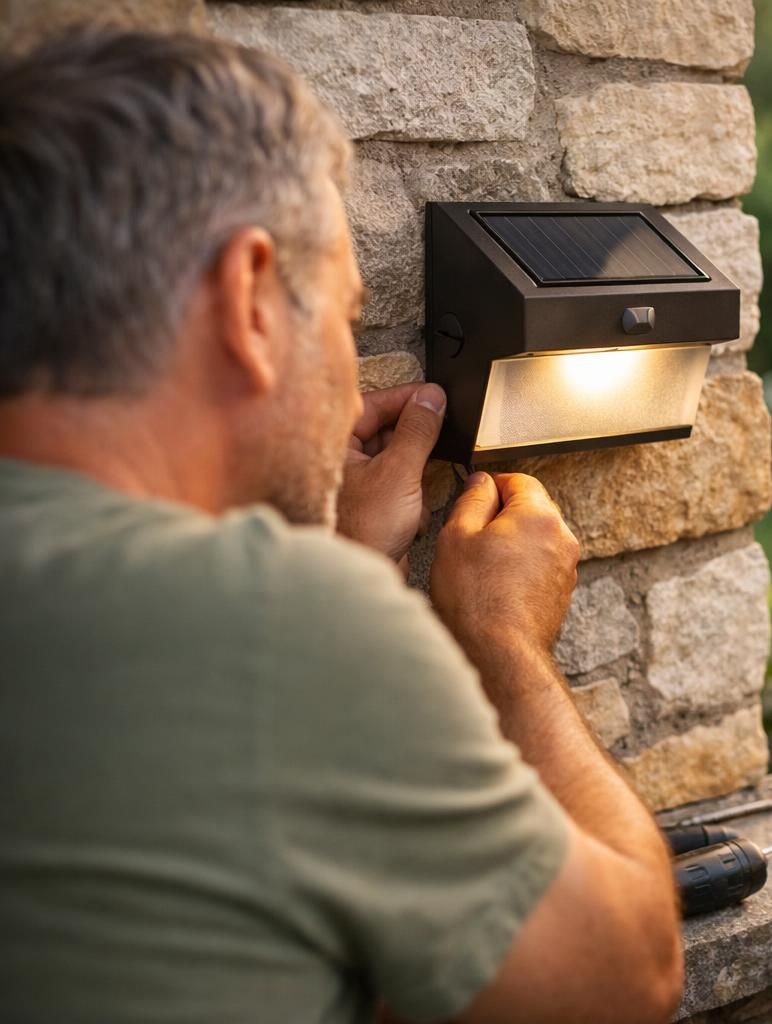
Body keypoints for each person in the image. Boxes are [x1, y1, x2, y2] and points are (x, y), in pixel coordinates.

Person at [0, 29, 682, 1024]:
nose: (352, 368)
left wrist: (345, 563)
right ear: (249, 300)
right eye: (346, 316)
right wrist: (503, 644)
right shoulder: (281, 623)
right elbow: (626, 975)